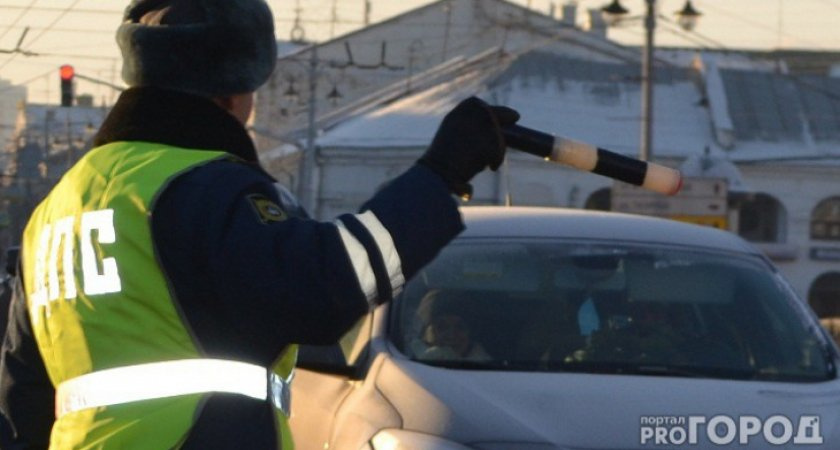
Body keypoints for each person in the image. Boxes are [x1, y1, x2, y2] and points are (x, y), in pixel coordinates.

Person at [0, 0, 519, 448]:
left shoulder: (55, 211)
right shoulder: (204, 186)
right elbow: (324, 286)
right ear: (231, 95)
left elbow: (22, 395)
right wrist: (440, 174)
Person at [414, 290, 491, 362]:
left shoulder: (488, 370)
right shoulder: (408, 362)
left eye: (460, 327)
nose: (451, 335)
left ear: (471, 333)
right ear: (430, 331)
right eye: (442, 327)